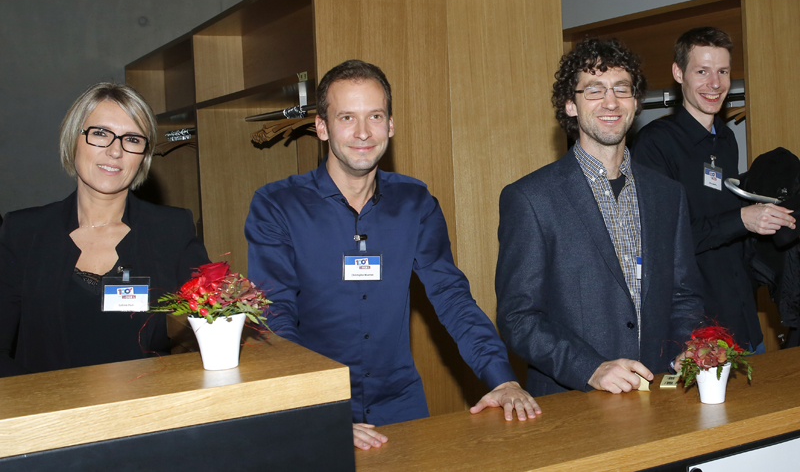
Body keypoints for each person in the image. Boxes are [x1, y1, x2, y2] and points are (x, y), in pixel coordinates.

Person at [246, 59, 541, 451]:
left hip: (401, 408)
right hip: (316, 410)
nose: (363, 132)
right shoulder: (277, 205)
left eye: (375, 116)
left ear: (390, 126)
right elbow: (274, 313)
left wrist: (502, 379)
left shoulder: (415, 202)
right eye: (347, 117)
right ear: (322, 127)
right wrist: (318, 411)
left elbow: (452, 297)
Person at [495, 39, 705, 397]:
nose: (611, 102)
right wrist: (589, 368)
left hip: (661, 395)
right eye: (594, 90)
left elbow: (685, 295)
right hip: (574, 401)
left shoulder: (668, 195)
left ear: (635, 102)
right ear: (570, 104)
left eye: (622, 89)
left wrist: (686, 346)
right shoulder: (530, 198)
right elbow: (518, 317)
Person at [0, 83, 209, 377]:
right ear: (74, 139)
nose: (115, 151)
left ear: (144, 155)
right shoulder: (24, 232)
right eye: (100, 133)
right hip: (49, 404)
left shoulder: (172, 230)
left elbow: (214, 329)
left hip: (148, 403)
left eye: (132, 139)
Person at [633, 27, 795, 353]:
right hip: (695, 329)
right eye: (702, 71)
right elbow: (661, 241)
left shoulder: (725, 139)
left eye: (722, 72)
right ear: (678, 73)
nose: (715, 83)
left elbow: (725, 225)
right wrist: (742, 219)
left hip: (743, 318)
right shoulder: (655, 144)